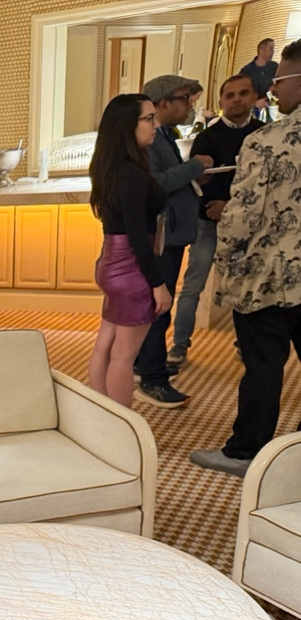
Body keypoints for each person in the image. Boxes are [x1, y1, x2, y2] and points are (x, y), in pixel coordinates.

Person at [191, 41, 301, 477]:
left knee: (263, 365)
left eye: (279, 80)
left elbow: (243, 215)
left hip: (270, 276)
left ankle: (246, 452)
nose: (272, 89)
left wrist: (227, 265)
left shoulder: (267, 140)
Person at [168, 75, 264, 369]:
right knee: (193, 284)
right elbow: (199, 180)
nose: (236, 100)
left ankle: (244, 343)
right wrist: (216, 206)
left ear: (253, 97)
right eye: (230, 95)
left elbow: (263, 184)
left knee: (246, 285)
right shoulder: (207, 137)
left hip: (247, 226)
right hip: (207, 220)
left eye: (243, 93)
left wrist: (230, 207)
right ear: (221, 101)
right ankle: (179, 344)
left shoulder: (263, 135)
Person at [133, 75, 215, 408]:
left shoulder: (165, 134)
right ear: (164, 103)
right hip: (162, 236)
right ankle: (152, 378)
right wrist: (193, 167)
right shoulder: (149, 139)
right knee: (158, 307)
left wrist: (192, 175)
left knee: (158, 306)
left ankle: (145, 362)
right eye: (185, 98)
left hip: (173, 233)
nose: (190, 104)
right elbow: (156, 183)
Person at [87, 94, 171, 407]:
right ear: (127, 126)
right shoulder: (131, 174)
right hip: (131, 267)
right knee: (123, 355)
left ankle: (101, 416)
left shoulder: (111, 167)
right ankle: (121, 424)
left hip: (111, 261)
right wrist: (158, 283)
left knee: (106, 346)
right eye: (148, 118)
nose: (156, 124)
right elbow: (138, 236)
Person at [241, 38, 278, 116]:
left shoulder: (275, 66)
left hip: (274, 108)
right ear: (262, 50)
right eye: (271, 49)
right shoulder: (246, 71)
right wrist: (254, 103)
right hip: (255, 111)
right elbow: (241, 93)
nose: (273, 51)